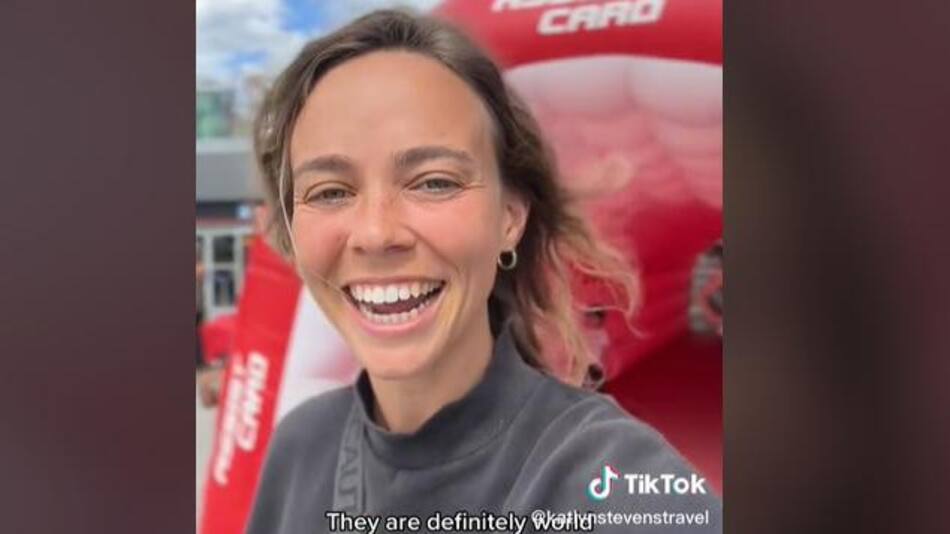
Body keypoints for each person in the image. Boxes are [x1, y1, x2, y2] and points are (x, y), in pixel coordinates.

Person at [246, 9, 721, 533]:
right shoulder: (303, 448)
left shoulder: (610, 481)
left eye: (433, 182)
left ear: (509, 219)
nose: (377, 235)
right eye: (330, 191)